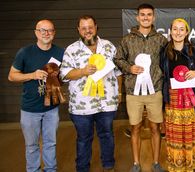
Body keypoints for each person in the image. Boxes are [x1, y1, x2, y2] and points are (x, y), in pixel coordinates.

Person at [59, 15, 120, 172]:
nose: (88, 31)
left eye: (90, 27)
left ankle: (108, 165)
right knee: (84, 139)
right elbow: (64, 75)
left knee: (107, 135)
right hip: (81, 105)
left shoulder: (108, 46)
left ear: (96, 27)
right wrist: (82, 71)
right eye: (84, 28)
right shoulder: (71, 49)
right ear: (79, 30)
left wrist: (119, 94)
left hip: (107, 102)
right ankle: (82, 168)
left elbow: (118, 72)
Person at [115, 3, 167, 172]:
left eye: (149, 14)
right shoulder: (127, 39)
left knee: (155, 128)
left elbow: (167, 61)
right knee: (135, 127)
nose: (146, 17)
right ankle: (136, 163)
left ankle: (156, 162)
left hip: (155, 90)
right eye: (142, 15)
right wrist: (129, 68)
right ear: (137, 17)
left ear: (154, 17)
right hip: (133, 91)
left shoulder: (161, 40)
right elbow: (118, 59)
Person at [8, 19, 64, 172]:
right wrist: (32, 75)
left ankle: (51, 169)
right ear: (36, 33)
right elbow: (12, 76)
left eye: (50, 30)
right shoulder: (25, 52)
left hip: (52, 108)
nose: (46, 33)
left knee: (50, 143)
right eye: (42, 30)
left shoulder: (61, 52)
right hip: (30, 109)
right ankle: (33, 170)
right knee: (31, 145)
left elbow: (65, 76)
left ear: (54, 33)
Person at [160, 18, 195, 172]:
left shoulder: (194, 51)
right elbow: (161, 74)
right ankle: (179, 165)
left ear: (187, 32)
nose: (178, 32)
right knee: (177, 136)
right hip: (174, 101)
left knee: (194, 134)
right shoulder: (164, 52)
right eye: (175, 29)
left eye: (182, 29)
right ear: (171, 31)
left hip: (193, 99)